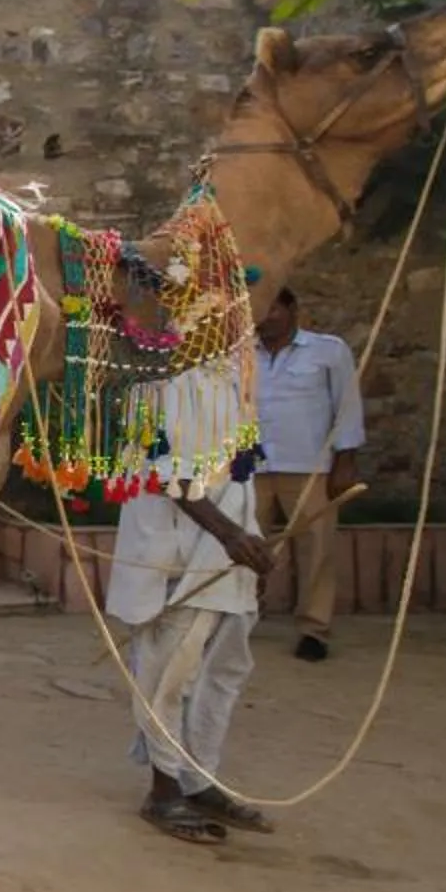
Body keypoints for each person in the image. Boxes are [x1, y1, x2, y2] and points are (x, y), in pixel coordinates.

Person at [106, 363, 278, 846]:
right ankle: (163, 790)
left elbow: (238, 476)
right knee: (169, 676)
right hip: (182, 558)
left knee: (223, 673)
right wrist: (230, 535)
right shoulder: (163, 383)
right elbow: (168, 475)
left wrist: (252, 541)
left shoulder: (237, 379)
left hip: (227, 559)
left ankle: (199, 781)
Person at [253, 286, 365, 661]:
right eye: (259, 310)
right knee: (245, 543)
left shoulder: (328, 351)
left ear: (291, 309)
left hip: (311, 466)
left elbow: (347, 406)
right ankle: (241, 616)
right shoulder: (239, 353)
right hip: (252, 467)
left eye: (273, 309)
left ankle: (314, 629)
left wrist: (345, 461)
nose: (265, 317)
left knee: (317, 547)